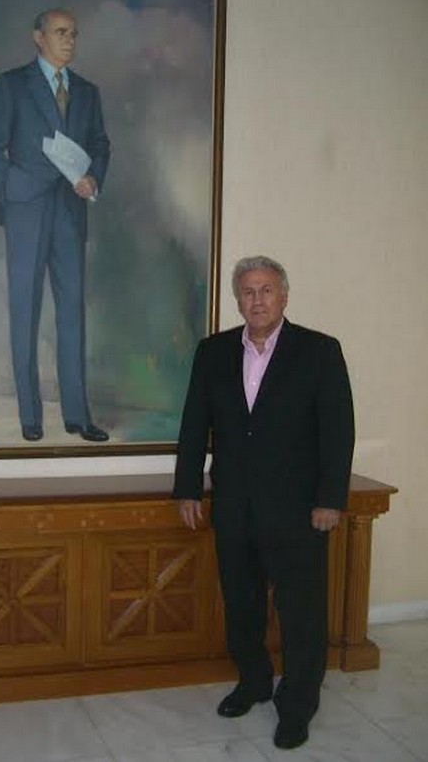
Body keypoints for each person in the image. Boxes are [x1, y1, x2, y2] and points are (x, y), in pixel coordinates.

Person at [173, 255, 354, 750]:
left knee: (301, 612)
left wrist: (330, 499)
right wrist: (187, 486)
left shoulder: (319, 351)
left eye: (266, 290)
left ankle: (297, 704)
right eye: (248, 291)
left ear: (284, 296)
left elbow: (338, 431)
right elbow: (194, 422)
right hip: (233, 505)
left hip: (299, 510)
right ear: (238, 300)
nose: (257, 300)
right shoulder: (213, 352)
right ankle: (253, 682)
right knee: (242, 604)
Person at [0, 9, 111, 442]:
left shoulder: (87, 91)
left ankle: (77, 416)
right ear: (38, 37)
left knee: (72, 314)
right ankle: (30, 416)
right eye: (60, 32)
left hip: (71, 211)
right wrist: (11, 186)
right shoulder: (12, 84)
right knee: (25, 312)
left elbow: (100, 145)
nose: (70, 40)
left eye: (74, 33)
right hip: (25, 210)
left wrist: (94, 178)